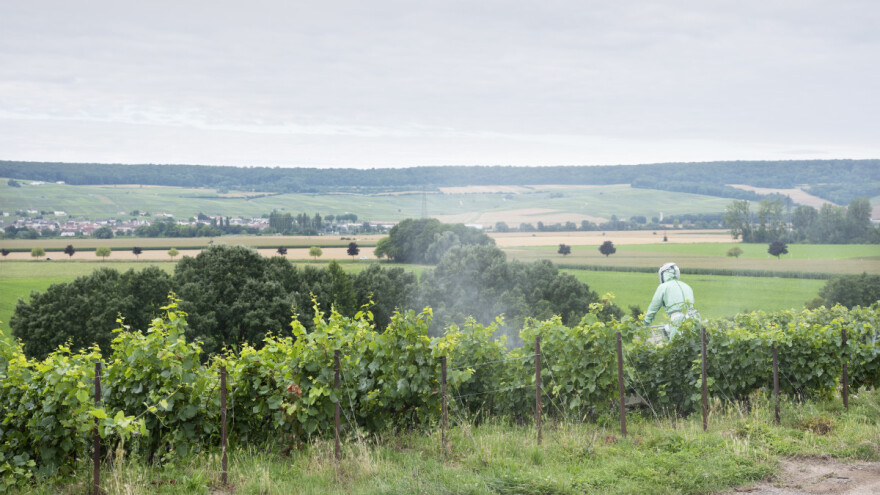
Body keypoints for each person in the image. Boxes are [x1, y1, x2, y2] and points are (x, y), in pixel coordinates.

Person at [644, 262, 700, 339]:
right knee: (695, 345)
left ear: (663, 274)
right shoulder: (687, 286)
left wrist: (646, 322)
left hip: (678, 320)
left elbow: (653, 307)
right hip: (695, 319)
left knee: (676, 347)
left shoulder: (663, 287)